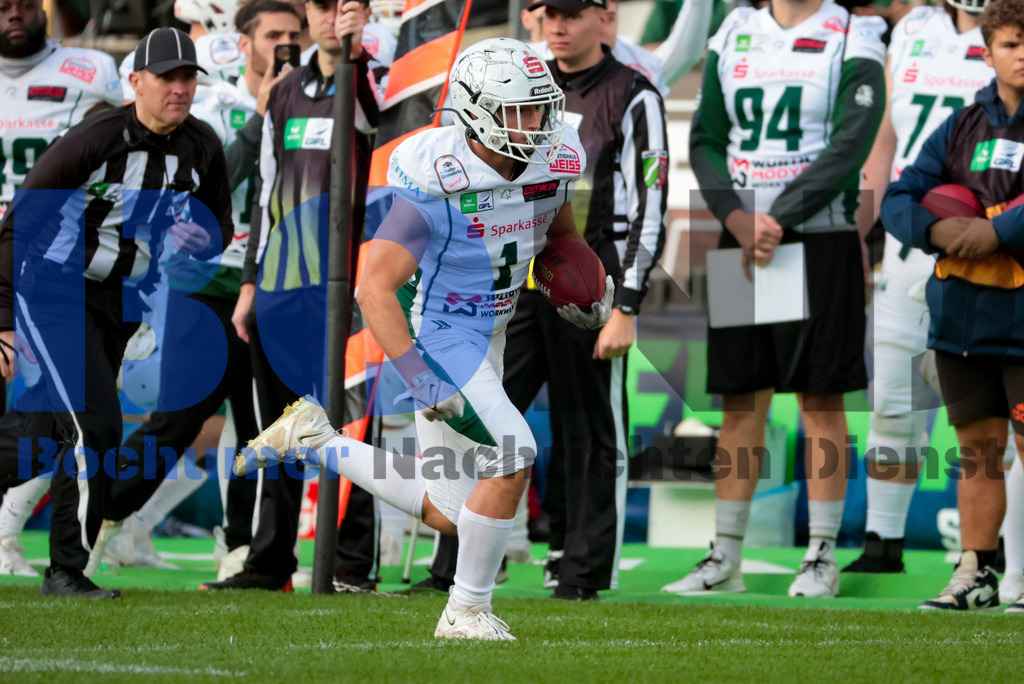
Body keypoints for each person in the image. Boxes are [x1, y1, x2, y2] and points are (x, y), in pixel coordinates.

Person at [237, 37, 609, 639]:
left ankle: (315, 438)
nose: (534, 123)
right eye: (517, 110)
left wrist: (585, 287)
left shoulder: (553, 159)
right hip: (439, 332)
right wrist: (419, 376)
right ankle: (465, 611)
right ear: (476, 111)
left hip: (492, 330)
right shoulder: (440, 175)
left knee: (454, 513)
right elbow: (373, 289)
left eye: (539, 108)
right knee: (514, 456)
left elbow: (558, 235)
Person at [662, 0, 885, 599]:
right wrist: (737, 217)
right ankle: (725, 554)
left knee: (821, 399)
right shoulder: (735, 29)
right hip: (745, 240)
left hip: (819, 237)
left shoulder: (854, 33)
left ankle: (820, 554)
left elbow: (850, 146)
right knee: (742, 400)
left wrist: (777, 218)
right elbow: (706, 138)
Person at [0, 26, 232, 598]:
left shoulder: (201, 146)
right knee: (97, 424)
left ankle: (65, 565)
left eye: (188, 77)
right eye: (166, 77)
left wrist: (200, 238)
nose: (179, 88)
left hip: (121, 302)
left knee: (42, 437)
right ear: (135, 82)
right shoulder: (94, 139)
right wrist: (3, 320)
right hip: (53, 292)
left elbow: (219, 226)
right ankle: (66, 570)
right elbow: (17, 225)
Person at [83, 0, 303, 577]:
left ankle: (242, 549)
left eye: (293, 34)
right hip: (207, 279)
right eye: (272, 34)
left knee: (263, 428)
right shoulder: (213, 105)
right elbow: (213, 184)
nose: (284, 44)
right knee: (180, 417)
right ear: (244, 43)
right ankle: (99, 509)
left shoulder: (312, 104)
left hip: (278, 282)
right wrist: (260, 120)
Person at [200, 0, 380, 593]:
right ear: (309, 11)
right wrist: (251, 283)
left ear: (363, 13)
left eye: (344, 6)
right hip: (282, 281)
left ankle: (351, 563)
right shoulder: (284, 90)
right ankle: (269, 561)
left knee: (351, 423)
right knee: (281, 427)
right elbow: (265, 190)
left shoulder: (373, 79)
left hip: (349, 282)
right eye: (322, 5)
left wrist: (355, 58)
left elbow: (374, 132)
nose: (332, 16)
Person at [880, 0, 1024, 613]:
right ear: (986, 53)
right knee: (978, 452)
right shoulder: (961, 124)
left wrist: (999, 231)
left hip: (1022, 315)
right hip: (963, 312)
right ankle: (976, 572)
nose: (1022, 55)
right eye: (1011, 44)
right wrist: (936, 231)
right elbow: (900, 195)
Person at [844, 0, 997, 575]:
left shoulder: (1012, 34)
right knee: (892, 397)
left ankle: (996, 549)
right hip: (912, 239)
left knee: (990, 408)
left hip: (990, 242)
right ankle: (883, 541)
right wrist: (862, 230)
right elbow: (884, 142)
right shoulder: (912, 27)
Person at [0, 0, 122, 577]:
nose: (15, 13)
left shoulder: (90, 72)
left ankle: (13, 537)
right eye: (4, 4)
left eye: (25, 3)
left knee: (57, 416)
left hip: (47, 265)